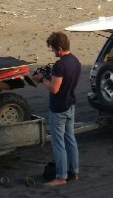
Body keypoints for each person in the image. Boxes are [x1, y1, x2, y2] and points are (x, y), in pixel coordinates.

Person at [34, 31, 81, 187]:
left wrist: (42, 79)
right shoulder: (75, 61)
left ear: (59, 48)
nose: (53, 52)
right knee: (70, 140)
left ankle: (61, 176)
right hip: (70, 105)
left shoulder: (60, 65)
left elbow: (54, 89)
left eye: (53, 49)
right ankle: (74, 172)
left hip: (59, 108)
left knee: (58, 143)